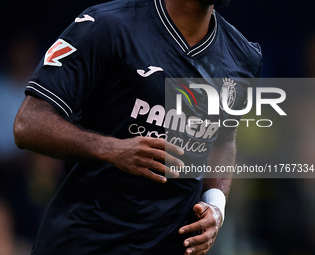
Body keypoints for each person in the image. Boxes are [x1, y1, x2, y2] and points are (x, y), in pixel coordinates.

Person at [14, 0, 262, 254]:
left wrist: (216, 204)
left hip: (172, 244)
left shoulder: (242, 57)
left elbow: (223, 138)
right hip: (86, 240)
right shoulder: (107, 25)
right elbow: (28, 123)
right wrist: (111, 149)